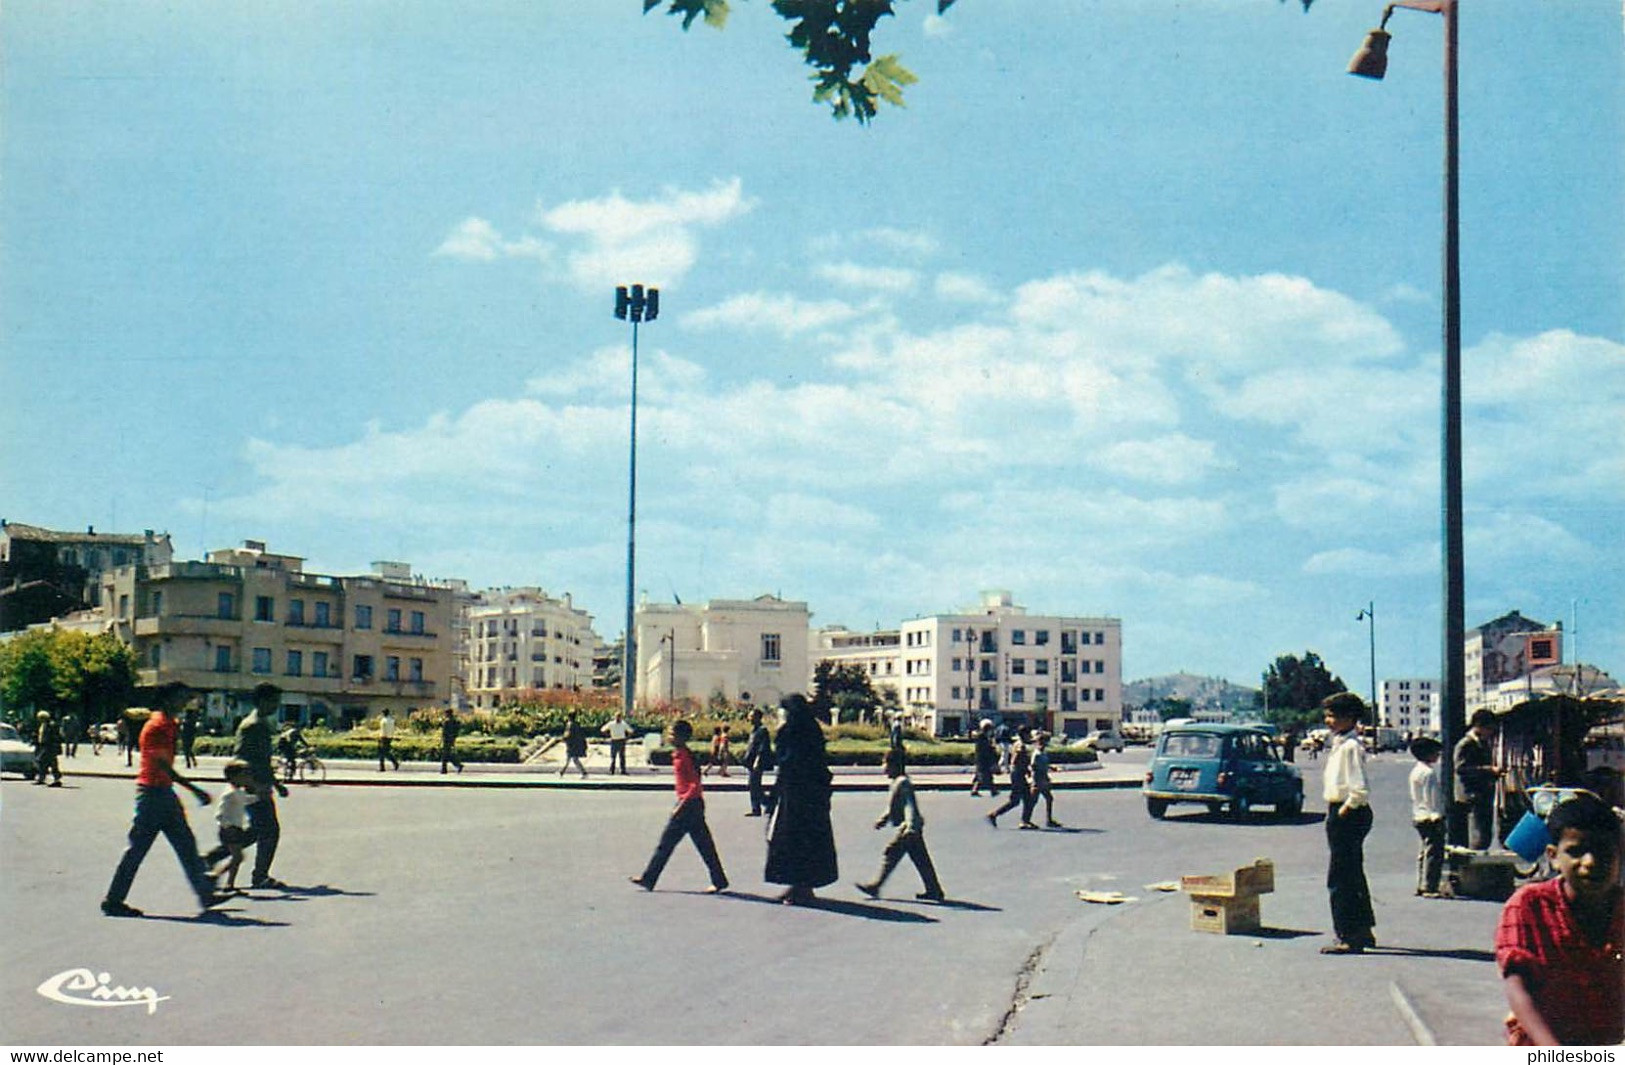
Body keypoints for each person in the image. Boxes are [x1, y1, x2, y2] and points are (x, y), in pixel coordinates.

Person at [1494, 792, 1623, 1046]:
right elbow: (1517, 986)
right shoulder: (1528, 905)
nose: (1590, 862)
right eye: (1575, 852)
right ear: (1553, 855)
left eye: (1604, 853)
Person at [101, 683, 227, 917]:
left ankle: (205, 894)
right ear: (168, 699)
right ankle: (113, 900)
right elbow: (163, 766)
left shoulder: (170, 724)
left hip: (163, 793)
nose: (184, 703)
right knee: (137, 850)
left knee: (186, 845)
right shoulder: (157, 726)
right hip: (152, 794)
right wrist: (194, 789)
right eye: (180, 698)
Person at [629, 719, 729, 894]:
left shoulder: (684, 756)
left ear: (683, 737)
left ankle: (649, 878)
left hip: (688, 805)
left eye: (672, 734)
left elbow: (694, 784)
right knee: (704, 845)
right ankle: (719, 880)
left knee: (667, 844)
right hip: (692, 804)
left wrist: (681, 805)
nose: (669, 737)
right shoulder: (681, 754)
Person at [765, 693, 837, 905]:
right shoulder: (807, 728)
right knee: (790, 841)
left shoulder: (796, 731)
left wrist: (780, 734)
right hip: (798, 796)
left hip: (802, 799)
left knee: (797, 841)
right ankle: (796, 885)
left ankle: (803, 888)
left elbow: (789, 761)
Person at [1319, 692, 1376, 955]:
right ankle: (1362, 929)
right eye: (1327, 715)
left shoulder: (1351, 747)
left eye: (1334, 715)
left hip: (1348, 812)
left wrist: (1344, 810)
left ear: (1350, 718)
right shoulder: (1340, 743)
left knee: (1340, 876)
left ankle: (1348, 934)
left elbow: (1359, 788)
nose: (1328, 721)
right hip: (1345, 811)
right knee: (1352, 873)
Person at [856, 746, 945, 902]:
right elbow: (895, 806)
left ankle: (876, 886)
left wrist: (910, 827)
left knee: (892, 854)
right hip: (912, 827)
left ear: (894, 765)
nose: (882, 767)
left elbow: (910, 806)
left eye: (885, 764)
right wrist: (884, 819)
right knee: (921, 860)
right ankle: (934, 890)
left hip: (909, 828)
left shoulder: (903, 783)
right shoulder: (898, 782)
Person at [235, 683, 290, 890]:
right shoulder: (253, 725)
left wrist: (276, 784)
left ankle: (213, 856)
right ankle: (260, 876)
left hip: (259, 783)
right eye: (273, 701)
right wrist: (253, 785)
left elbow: (263, 760)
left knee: (258, 830)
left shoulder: (259, 723)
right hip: (255, 786)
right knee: (270, 831)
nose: (276, 705)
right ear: (261, 701)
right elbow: (243, 757)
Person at [203, 760, 261, 892]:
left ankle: (229, 884)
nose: (248, 778)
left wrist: (257, 797)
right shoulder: (229, 793)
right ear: (234, 777)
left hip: (236, 828)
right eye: (244, 775)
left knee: (237, 857)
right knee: (238, 857)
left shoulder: (238, 791)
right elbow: (220, 813)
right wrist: (227, 826)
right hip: (229, 830)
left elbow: (244, 800)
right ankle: (216, 875)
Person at [1453, 709, 1502, 850]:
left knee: (1485, 834)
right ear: (1479, 726)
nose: (1491, 733)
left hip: (1482, 796)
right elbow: (1462, 769)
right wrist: (1488, 770)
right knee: (1478, 836)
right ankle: (1474, 868)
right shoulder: (1466, 744)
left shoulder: (1482, 743)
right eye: (1490, 729)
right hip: (1471, 797)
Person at [1408, 736, 1446, 898]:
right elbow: (1433, 798)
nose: (1438, 755)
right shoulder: (1429, 773)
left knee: (1423, 851)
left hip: (1418, 814)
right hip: (1430, 817)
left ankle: (1420, 883)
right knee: (1434, 853)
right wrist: (1437, 815)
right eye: (1436, 752)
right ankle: (1430, 886)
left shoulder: (1415, 771)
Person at [988, 728, 1036, 829]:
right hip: (1018, 775)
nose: (1030, 737)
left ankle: (1025, 821)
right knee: (1018, 800)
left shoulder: (1017, 743)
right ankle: (995, 815)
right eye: (1028, 734)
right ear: (1024, 734)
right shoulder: (1021, 746)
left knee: (1025, 799)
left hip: (1018, 774)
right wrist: (1022, 768)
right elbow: (1017, 759)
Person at [741, 707, 774, 817]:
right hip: (751, 763)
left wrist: (757, 761)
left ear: (757, 717)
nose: (749, 718)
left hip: (757, 763)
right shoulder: (754, 730)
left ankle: (765, 805)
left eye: (751, 716)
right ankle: (762, 806)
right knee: (754, 786)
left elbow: (762, 748)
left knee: (754, 785)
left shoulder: (762, 730)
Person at [1026, 731, 1062, 828]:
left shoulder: (1042, 753)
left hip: (1043, 779)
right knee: (1033, 801)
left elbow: (1044, 765)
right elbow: (1033, 766)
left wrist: (1050, 768)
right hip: (1038, 780)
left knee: (1048, 799)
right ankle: (1026, 820)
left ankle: (1048, 820)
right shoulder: (1037, 754)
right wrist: (1038, 777)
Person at [33, 711, 63, 786]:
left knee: (50, 763)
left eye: (40, 718)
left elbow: (55, 736)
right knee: (43, 762)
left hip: (50, 747)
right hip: (44, 746)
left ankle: (56, 780)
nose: (39, 720)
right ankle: (41, 778)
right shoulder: (43, 724)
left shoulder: (51, 725)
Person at [970, 719, 999, 797]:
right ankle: (993, 790)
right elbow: (984, 749)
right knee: (986, 775)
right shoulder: (982, 737)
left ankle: (976, 790)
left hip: (981, 759)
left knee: (980, 775)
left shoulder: (985, 736)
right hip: (983, 759)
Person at [601, 710, 632, 775]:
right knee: (613, 757)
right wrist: (608, 735)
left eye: (619, 717)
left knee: (622, 757)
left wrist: (626, 738)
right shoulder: (611, 724)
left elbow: (630, 731)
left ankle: (622, 770)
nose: (618, 718)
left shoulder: (623, 724)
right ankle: (612, 770)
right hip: (614, 740)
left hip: (621, 740)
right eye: (617, 716)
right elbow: (603, 730)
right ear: (615, 717)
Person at [559, 711, 587, 778]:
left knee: (571, 758)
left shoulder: (570, 724)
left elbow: (568, 734)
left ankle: (562, 772)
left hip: (571, 744)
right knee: (573, 759)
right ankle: (562, 772)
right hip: (576, 744)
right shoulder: (577, 724)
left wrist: (563, 738)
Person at [439, 708, 464, 774]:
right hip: (451, 740)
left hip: (446, 740)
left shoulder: (446, 722)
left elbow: (444, 733)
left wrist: (441, 741)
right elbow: (457, 731)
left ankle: (445, 769)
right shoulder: (455, 721)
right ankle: (456, 765)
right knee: (447, 755)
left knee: (445, 755)